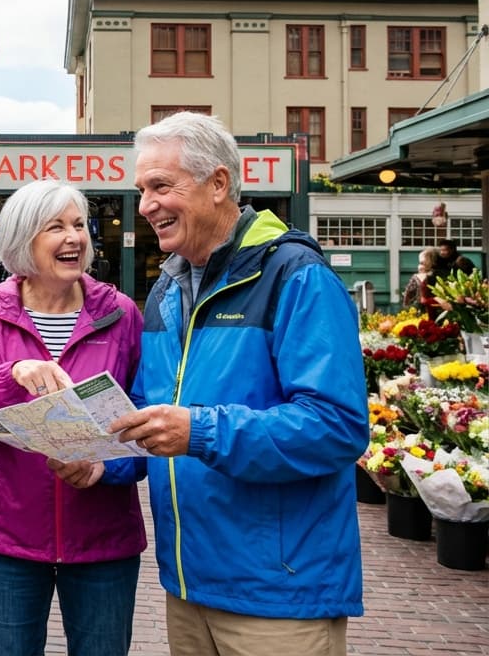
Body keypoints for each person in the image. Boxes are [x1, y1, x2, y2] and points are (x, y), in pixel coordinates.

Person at [110, 111, 367, 656]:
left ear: (218, 183)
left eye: (161, 186)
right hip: (187, 585)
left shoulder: (296, 275)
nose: (146, 205)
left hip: (279, 593)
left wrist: (200, 431)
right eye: (141, 190)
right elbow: (151, 411)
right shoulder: (166, 290)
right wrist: (97, 462)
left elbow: (337, 427)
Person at [0, 179, 146, 656]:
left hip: (103, 539)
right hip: (8, 537)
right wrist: (11, 375)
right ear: (22, 240)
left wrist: (106, 467)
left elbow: (146, 423)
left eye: (79, 225)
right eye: (55, 227)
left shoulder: (121, 314)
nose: (74, 237)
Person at [401, 247, 439, 313]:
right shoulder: (440, 276)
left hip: (420, 311)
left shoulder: (417, 277)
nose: (419, 266)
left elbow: (407, 297)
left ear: (430, 263)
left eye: (422, 263)